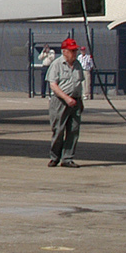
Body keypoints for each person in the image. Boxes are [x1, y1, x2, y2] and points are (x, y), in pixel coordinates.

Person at [46, 37, 86, 167]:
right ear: (64, 51)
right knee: (58, 130)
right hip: (60, 101)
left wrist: (80, 101)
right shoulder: (57, 64)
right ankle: (55, 157)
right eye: (72, 51)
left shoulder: (78, 64)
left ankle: (67, 158)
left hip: (75, 100)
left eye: (75, 51)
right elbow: (53, 85)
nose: (74, 53)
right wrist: (66, 98)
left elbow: (79, 83)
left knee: (73, 130)